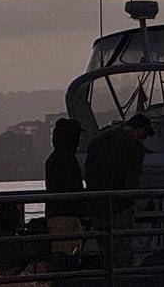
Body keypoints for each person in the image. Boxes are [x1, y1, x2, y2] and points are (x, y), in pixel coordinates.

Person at [83, 114, 155, 271]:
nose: (144, 139)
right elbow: (131, 178)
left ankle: (106, 275)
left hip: (96, 204)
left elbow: (88, 171)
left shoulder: (98, 140)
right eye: (144, 135)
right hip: (119, 206)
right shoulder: (133, 146)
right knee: (121, 246)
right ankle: (121, 278)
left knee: (104, 247)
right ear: (139, 130)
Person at [44, 118, 85, 257]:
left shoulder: (54, 158)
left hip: (58, 214)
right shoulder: (67, 159)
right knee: (67, 255)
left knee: (64, 253)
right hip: (66, 216)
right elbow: (74, 187)